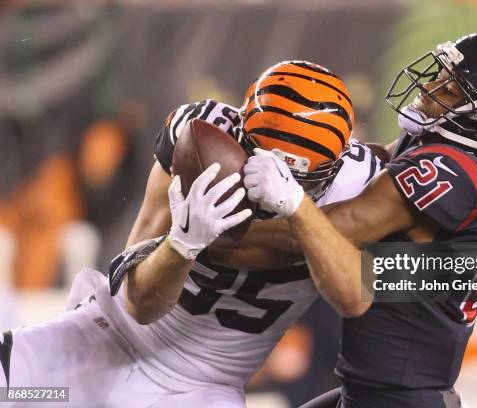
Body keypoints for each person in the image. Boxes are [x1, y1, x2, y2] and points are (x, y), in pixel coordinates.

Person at [0, 61, 382, 407]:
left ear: (337, 161)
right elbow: (139, 303)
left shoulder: (362, 184)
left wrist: (297, 206)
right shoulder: (201, 137)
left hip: (198, 389)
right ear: (242, 134)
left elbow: (360, 293)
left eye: (297, 177)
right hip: (101, 345)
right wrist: (182, 244)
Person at [242, 33, 477, 407]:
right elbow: (378, 164)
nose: (432, 86)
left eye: (451, 89)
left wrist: (202, 243)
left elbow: (325, 229)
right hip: (373, 390)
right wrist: (320, 147)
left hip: (401, 398)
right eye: (442, 75)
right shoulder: (452, 152)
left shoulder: (451, 170)